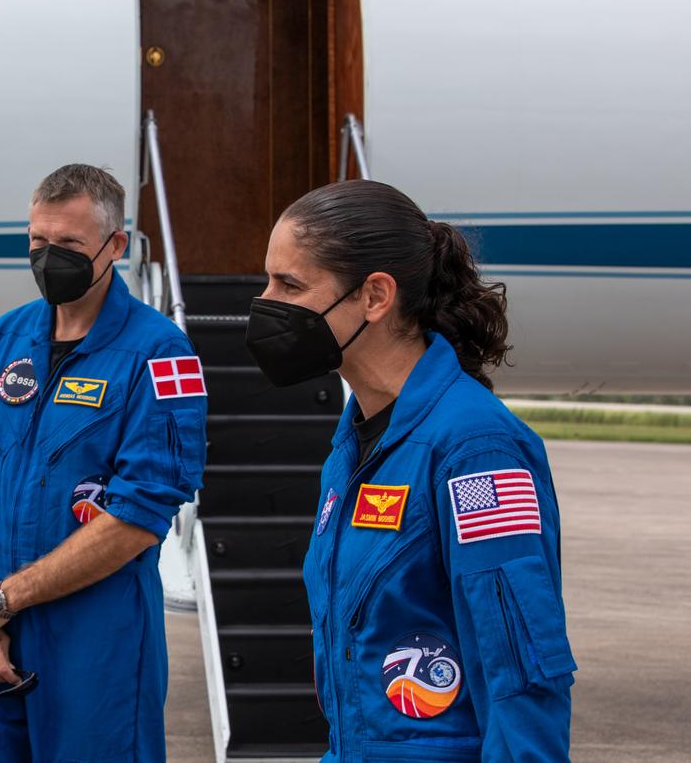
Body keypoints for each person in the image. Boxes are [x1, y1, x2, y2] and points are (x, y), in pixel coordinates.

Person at [244, 180, 575, 761]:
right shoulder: (355, 442)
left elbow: (520, 672)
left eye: (290, 285)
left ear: (375, 296)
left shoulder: (475, 449)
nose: (266, 302)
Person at [0, 164, 207, 761]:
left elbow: (141, 513)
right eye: (38, 243)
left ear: (116, 246)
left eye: (68, 245)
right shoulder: (6, 338)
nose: (48, 258)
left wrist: (2, 600)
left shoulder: (161, 353)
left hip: (97, 648)